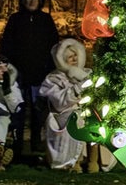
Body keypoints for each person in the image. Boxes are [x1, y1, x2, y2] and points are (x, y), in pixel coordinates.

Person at [0, 0, 59, 162]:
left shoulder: (46, 20)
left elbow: (53, 45)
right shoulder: (16, 19)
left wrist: (49, 66)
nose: (31, 1)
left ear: (40, 1)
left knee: (38, 111)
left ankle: (36, 142)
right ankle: (17, 145)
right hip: (18, 73)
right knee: (18, 110)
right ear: (23, 0)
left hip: (39, 73)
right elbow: (7, 43)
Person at [39, 38, 91, 171]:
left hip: (88, 111)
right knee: (76, 121)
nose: (74, 59)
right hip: (63, 114)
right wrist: (77, 89)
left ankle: (94, 161)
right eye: (69, 57)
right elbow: (59, 102)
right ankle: (74, 161)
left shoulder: (88, 73)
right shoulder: (54, 78)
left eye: (75, 55)